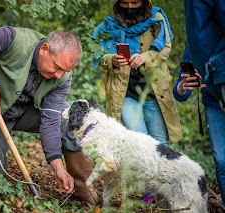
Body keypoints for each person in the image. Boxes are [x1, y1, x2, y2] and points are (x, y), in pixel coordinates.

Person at [0, 27, 95, 204]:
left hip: (25, 114)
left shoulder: (62, 77)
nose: (59, 75)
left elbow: (51, 120)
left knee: (68, 116)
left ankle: (82, 191)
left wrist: (57, 165)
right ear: (44, 49)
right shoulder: (15, 40)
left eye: (64, 71)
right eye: (57, 67)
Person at [92, 0, 182, 146]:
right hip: (124, 93)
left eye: (135, 3)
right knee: (140, 142)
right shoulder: (109, 24)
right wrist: (111, 59)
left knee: (161, 144)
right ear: (117, 3)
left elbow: (165, 47)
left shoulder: (156, 19)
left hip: (155, 93)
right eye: (125, 3)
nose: (130, 7)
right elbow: (99, 53)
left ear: (144, 2)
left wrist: (145, 57)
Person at [173, 44, 225, 206]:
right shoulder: (196, 40)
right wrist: (182, 87)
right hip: (213, 105)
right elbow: (180, 92)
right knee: (221, 160)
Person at [184, 0, 225, 112]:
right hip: (212, 101)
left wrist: (210, 78)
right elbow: (180, 94)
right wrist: (182, 88)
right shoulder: (192, 45)